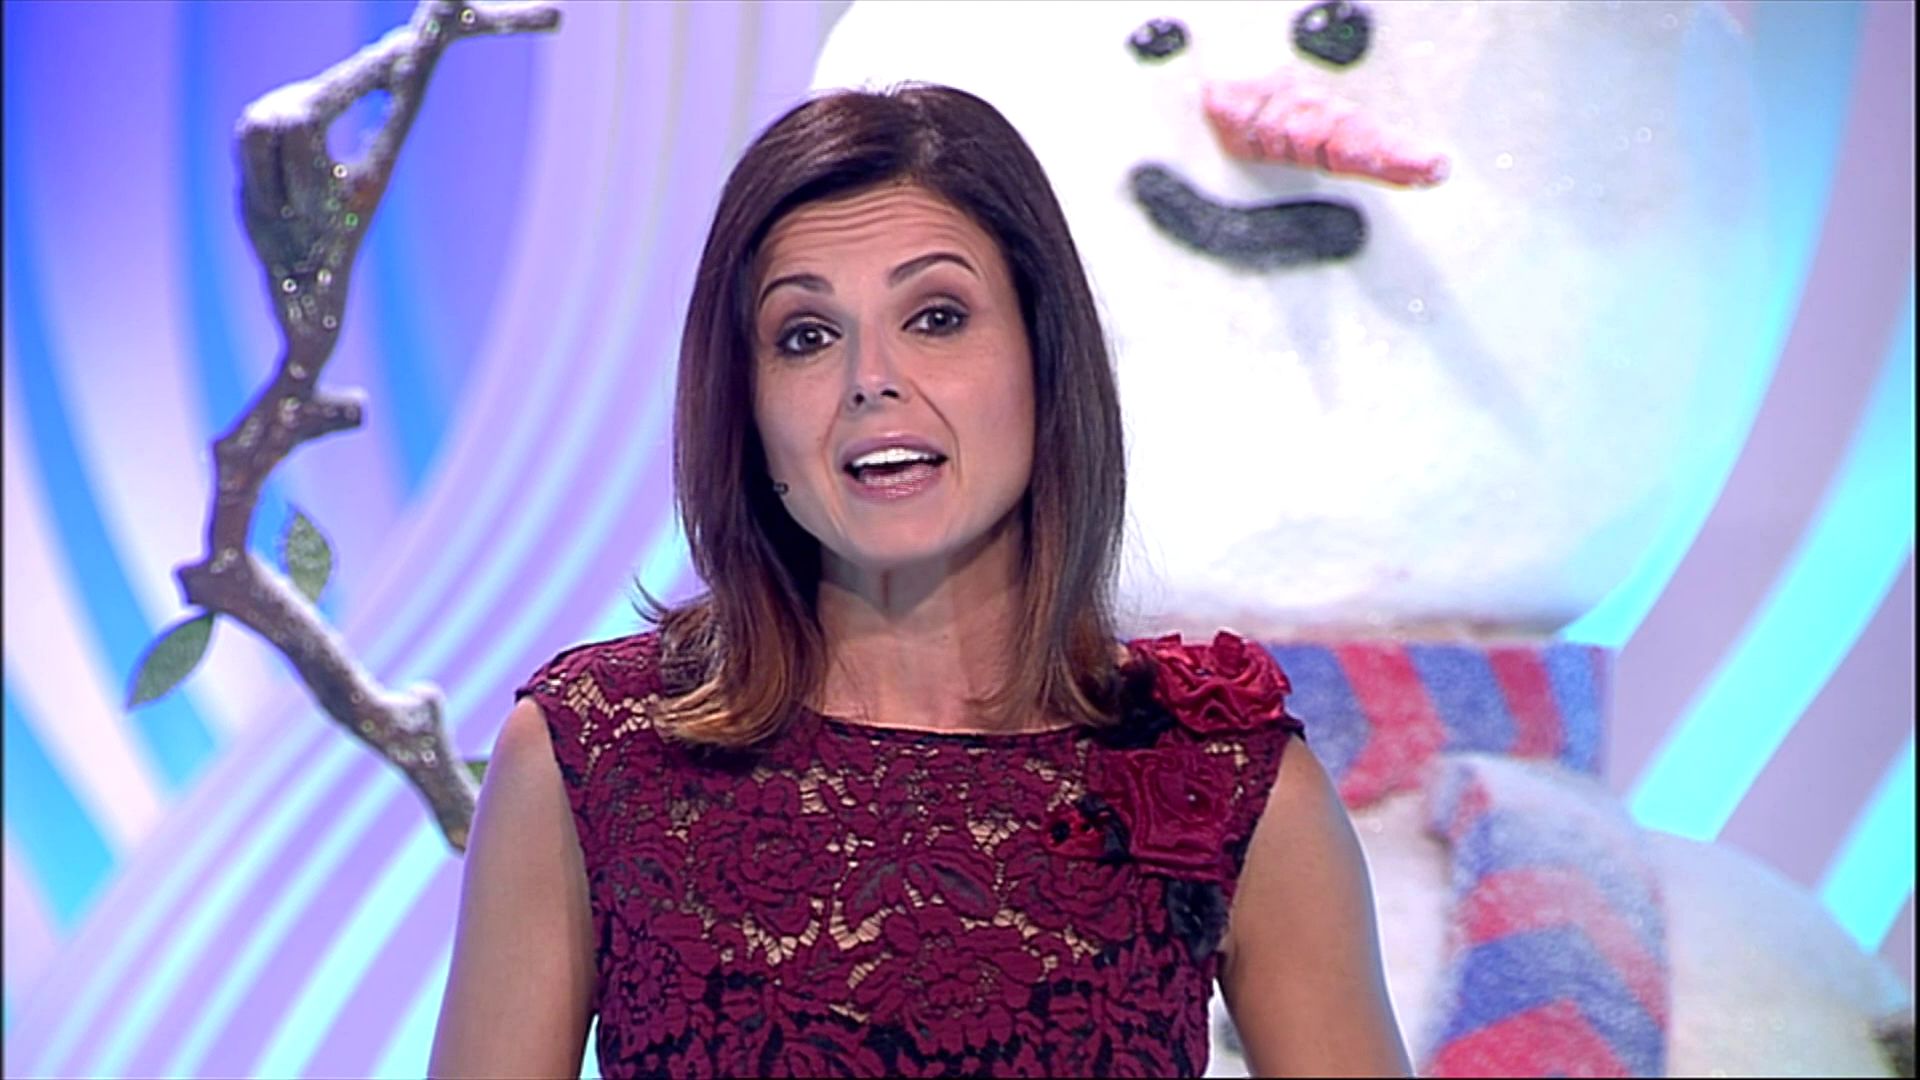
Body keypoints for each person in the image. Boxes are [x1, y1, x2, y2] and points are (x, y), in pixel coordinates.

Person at [428, 84, 1408, 1079]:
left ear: (1043, 356)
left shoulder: (1223, 777)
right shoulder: (592, 753)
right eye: (806, 335)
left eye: (937, 317)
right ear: (746, 405)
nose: (871, 379)